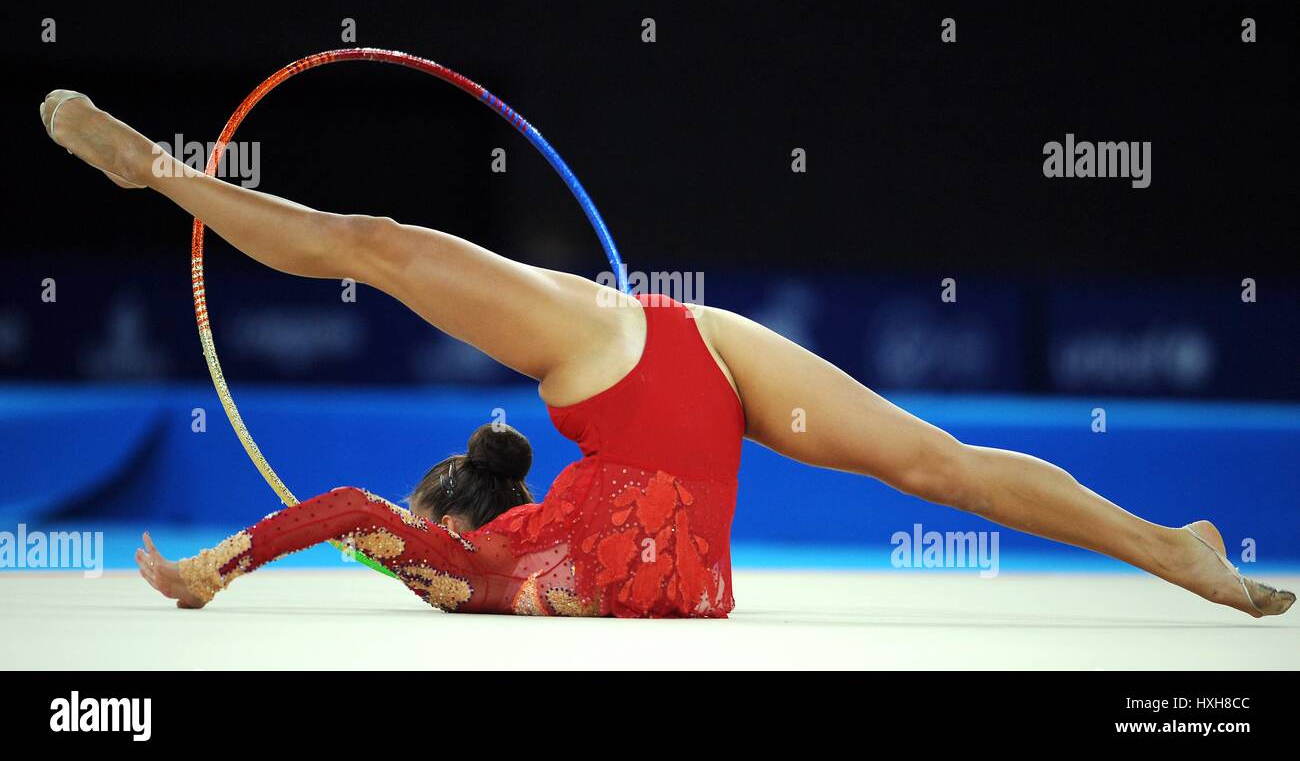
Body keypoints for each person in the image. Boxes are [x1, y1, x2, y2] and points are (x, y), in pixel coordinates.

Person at [39, 90, 1294, 618]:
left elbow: (361, 517)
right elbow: (364, 516)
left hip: (627, 366)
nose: (409, 569)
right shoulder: (481, 563)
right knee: (939, 471)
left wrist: (221, 563)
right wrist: (221, 568)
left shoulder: (470, 567)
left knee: (381, 246)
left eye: (415, 555)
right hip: (680, 374)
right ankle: (1170, 548)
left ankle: (157, 171)